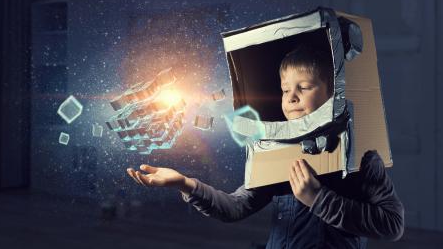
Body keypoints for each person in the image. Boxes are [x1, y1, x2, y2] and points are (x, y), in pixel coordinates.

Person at [126, 46, 404, 248]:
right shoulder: (275, 151)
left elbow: (392, 225)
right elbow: (235, 207)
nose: (292, 97)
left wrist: (319, 199)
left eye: (304, 87)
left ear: (333, 92)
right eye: (285, 90)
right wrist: (185, 184)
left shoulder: (360, 153)